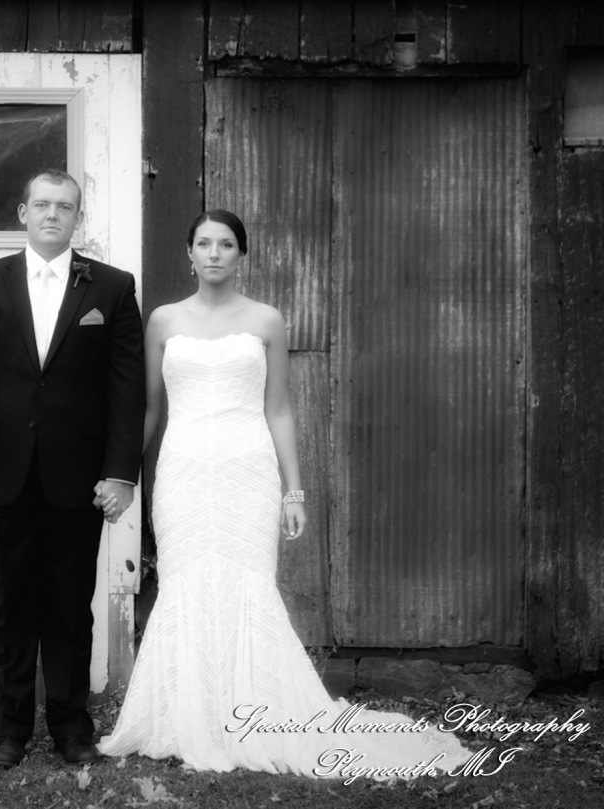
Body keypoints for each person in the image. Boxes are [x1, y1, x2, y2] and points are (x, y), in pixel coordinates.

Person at [97, 210, 473, 777]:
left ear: (241, 255)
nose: (215, 253)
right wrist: (124, 473)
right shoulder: (163, 321)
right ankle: (186, 717)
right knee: (187, 582)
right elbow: (149, 409)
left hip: (249, 470)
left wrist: (293, 492)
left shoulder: (267, 319)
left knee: (249, 586)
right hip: (185, 472)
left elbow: (279, 409)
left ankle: (255, 716)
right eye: (204, 243)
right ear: (189, 254)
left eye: (226, 244)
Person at [0, 170, 145, 769]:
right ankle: (9, 729)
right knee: (11, 604)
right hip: (3, 470)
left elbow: (126, 390)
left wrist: (121, 473)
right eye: (41, 204)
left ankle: (72, 727)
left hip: (79, 475)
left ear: (78, 217)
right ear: (23, 211)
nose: (52, 214)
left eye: (64, 207)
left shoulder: (113, 288)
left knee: (71, 608)